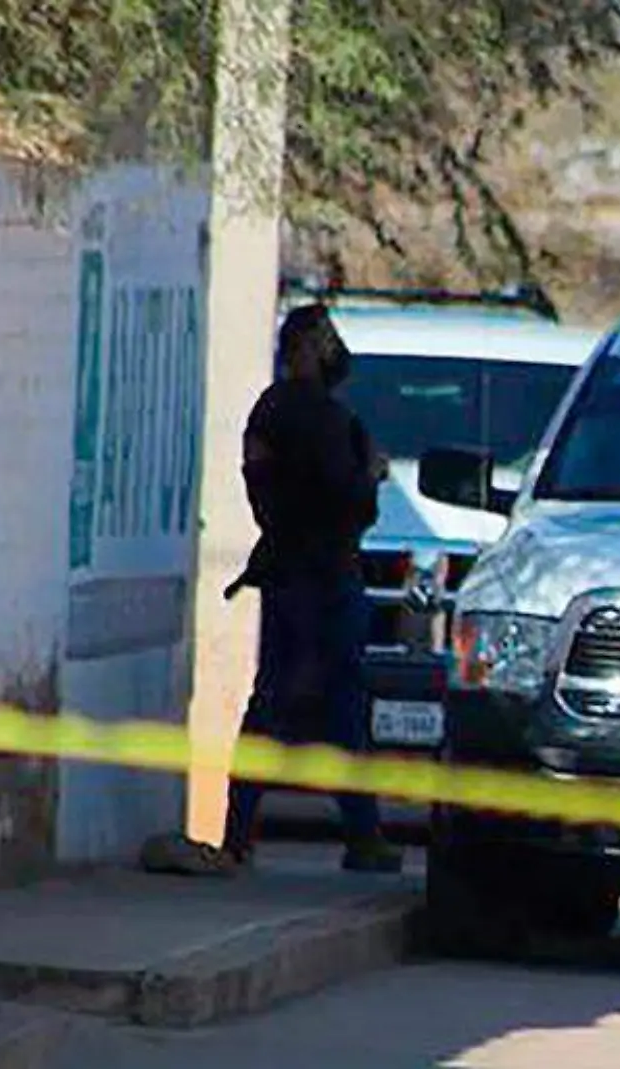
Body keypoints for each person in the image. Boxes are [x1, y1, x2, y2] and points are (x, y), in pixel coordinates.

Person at [220, 303, 403, 873]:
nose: (331, 348)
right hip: (319, 578)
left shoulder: (275, 412)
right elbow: (345, 497)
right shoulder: (315, 416)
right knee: (331, 706)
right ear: (301, 348)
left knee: (279, 704)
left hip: (297, 574)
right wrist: (369, 472)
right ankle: (359, 837)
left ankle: (242, 834)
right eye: (320, 339)